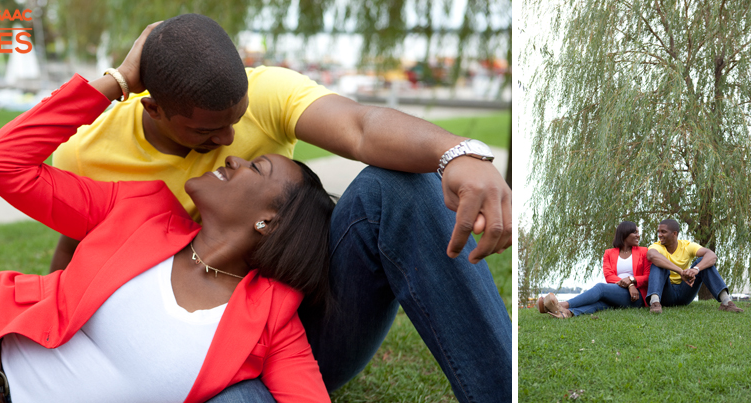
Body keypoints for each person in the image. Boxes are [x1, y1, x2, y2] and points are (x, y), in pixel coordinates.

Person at [49, 14, 511, 402]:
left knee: (400, 186)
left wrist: (459, 153)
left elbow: (360, 126)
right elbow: (71, 259)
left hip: (308, 323)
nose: (229, 143)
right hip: (211, 357)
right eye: (207, 130)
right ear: (154, 110)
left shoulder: (267, 90)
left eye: (236, 119)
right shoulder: (85, 155)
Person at [0, 24, 336, 403]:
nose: (232, 155)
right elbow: (0, 162)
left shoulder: (272, 318)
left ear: (268, 222)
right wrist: (120, 80)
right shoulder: (140, 208)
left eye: (257, 166)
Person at [538, 221, 650, 318]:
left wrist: (632, 281)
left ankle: (561, 305)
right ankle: (567, 313)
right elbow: (609, 276)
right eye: (635, 232)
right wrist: (629, 285)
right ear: (625, 233)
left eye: (638, 233)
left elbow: (647, 277)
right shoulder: (609, 253)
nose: (638, 236)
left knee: (600, 288)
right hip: (616, 290)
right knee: (599, 304)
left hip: (636, 296)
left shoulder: (644, 251)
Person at [645, 219, 743, 314]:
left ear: (674, 233)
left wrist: (696, 269)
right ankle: (655, 303)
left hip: (685, 291)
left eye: (663, 232)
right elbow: (651, 255)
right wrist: (680, 271)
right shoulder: (657, 246)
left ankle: (727, 302)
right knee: (657, 263)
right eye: (659, 232)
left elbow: (712, 256)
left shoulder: (687, 246)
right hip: (666, 294)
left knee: (704, 261)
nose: (659, 235)